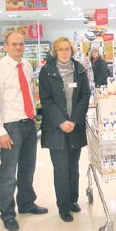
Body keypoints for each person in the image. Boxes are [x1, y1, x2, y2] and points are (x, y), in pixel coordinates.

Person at [39, 37, 90, 222]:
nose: (63, 52)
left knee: (73, 167)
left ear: (72, 50)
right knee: (61, 169)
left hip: (74, 127)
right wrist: (61, 121)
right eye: (60, 49)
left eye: (66, 49)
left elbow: (85, 95)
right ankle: (63, 206)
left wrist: (74, 120)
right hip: (56, 128)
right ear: (55, 51)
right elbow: (46, 100)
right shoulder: (47, 71)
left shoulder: (80, 69)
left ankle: (73, 200)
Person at [0, 31, 48, 231]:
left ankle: (26, 203)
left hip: (29, 123)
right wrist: (0, 131)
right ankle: (7, 213)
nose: (18, 47)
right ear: (5, 46)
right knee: (8, 173)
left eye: (21, 44)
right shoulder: (1, 68)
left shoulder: (27, 66)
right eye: (14, 44)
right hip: (10, 127)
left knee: (28, 168)